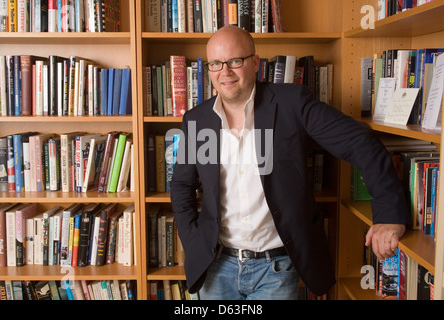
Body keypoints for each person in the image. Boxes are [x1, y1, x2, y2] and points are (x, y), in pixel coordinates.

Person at [170, 25, 409, 300]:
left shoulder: (292, 103)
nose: (225, 71)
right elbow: (181, 185)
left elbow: (361, 143)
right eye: (215, 63)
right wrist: (193, 240)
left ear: (255, 62)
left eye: (235, 61)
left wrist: (389, 214)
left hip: (277, 268)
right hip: (216, 268)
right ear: (209, 69)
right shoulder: (196, 120)